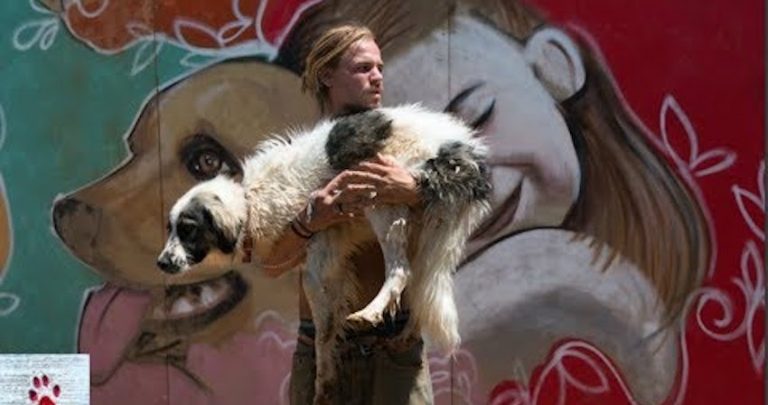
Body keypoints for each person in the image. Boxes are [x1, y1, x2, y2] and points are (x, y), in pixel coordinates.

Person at [261, 24, 434, 404]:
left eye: (380, 69)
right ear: (327, 75)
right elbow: (270, 264)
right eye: (363, 68)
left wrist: (415, 190)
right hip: (324, 355)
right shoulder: (300, 162)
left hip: (396, 352)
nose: (377, 79)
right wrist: (311, 220)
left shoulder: (407, 144)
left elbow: (460, 214)